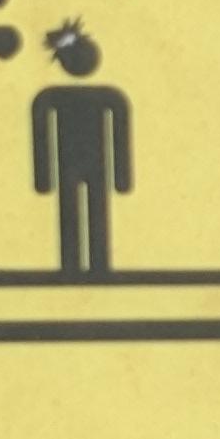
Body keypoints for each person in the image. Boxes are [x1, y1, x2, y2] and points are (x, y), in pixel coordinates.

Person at [29, 22, 133, 277]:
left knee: (96, 213)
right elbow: (41, 135)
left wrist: (122, 177)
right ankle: (72, 266)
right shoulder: (51, 98)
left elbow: (120, 132)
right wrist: (43, 178)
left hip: (94, 166)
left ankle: (98, 264)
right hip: (68, 167)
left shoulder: (109, 97)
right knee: (70, 215)